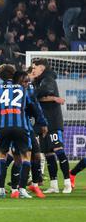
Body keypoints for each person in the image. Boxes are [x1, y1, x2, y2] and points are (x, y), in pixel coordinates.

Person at [0, 64, 48, 199]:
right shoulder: (24, 88)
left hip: (2, 126)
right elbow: (35, 106)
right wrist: (42, 122)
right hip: (21, 126)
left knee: (2, 157)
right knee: (25, 157)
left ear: (0, 76)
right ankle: (22, 189)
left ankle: (0, 189)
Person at [31, 58, 72, 194]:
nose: (33, 70)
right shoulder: (39, 81)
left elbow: (42, 93)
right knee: (48, 154)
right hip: (44, 124)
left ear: (41, 68)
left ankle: (67, 183)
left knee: (59, 151)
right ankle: (53, 185)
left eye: (34, 68)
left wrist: (49, 97)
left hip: (53, 122)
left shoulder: (48, 79)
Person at [13, 70, 48, 199]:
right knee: (16, 159)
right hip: (15, 128)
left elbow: (36, 107)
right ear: (17, 82)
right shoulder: (11, 92)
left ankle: (34, 184)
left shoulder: (29, 92)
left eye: (28, 81)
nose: (27, 83)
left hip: (28, 128)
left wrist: (43, 122)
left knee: (37, 155)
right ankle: (14, 187)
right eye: (25, 81)